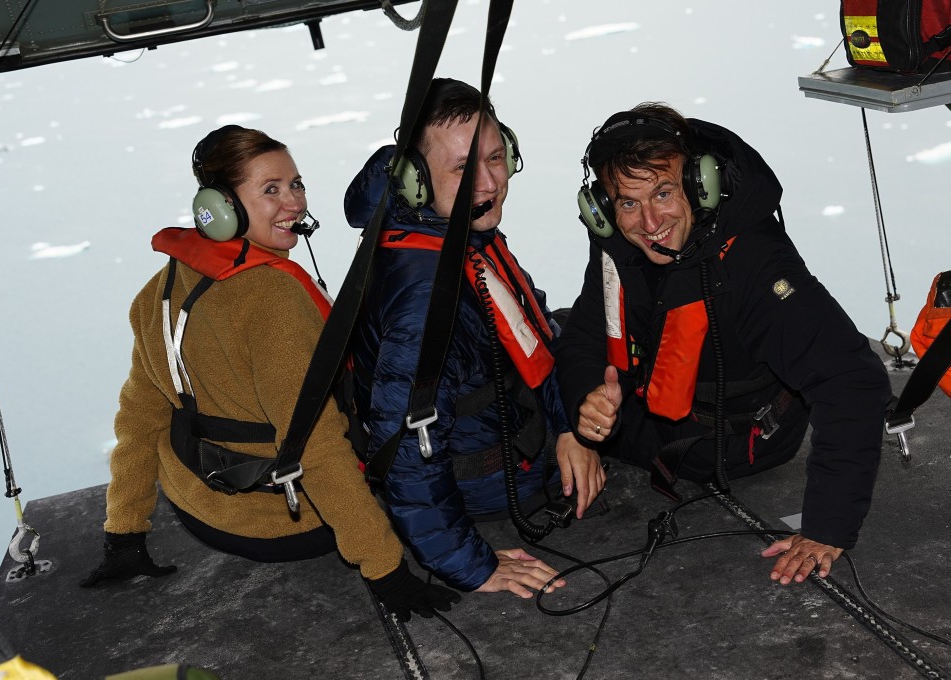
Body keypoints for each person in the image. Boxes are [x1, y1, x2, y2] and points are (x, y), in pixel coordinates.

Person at [80, 125, 458, 622]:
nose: (294, 203)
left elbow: (139, 417)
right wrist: (386, 570)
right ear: (220, 208)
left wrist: (124, 532)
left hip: (201, 511)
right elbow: (318, 447)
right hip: (282, 525)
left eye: (296, 184)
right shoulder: (274, 301)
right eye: (271, 190)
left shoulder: (161, 286)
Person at [556, 102, 891, 586]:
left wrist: (827, 528)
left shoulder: (754, 262)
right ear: (605, 209)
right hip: (648, 423)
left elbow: (852, 380)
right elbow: (588, 334)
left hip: (732, 446)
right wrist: (582, 410)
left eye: (664, 193)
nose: (649, 222)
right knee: (546, 337)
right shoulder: (618, 243)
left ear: (700, 185)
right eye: (628, 203)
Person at [345, 78, 607, 597]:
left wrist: (569, 429)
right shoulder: (425, 299)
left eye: (495, 157)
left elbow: (535, 338)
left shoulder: (454, 233)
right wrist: (472, 566)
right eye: (463, 168)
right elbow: (406, 452)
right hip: (485, 484)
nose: (488, 184)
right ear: (416, 180)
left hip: (524, 443)